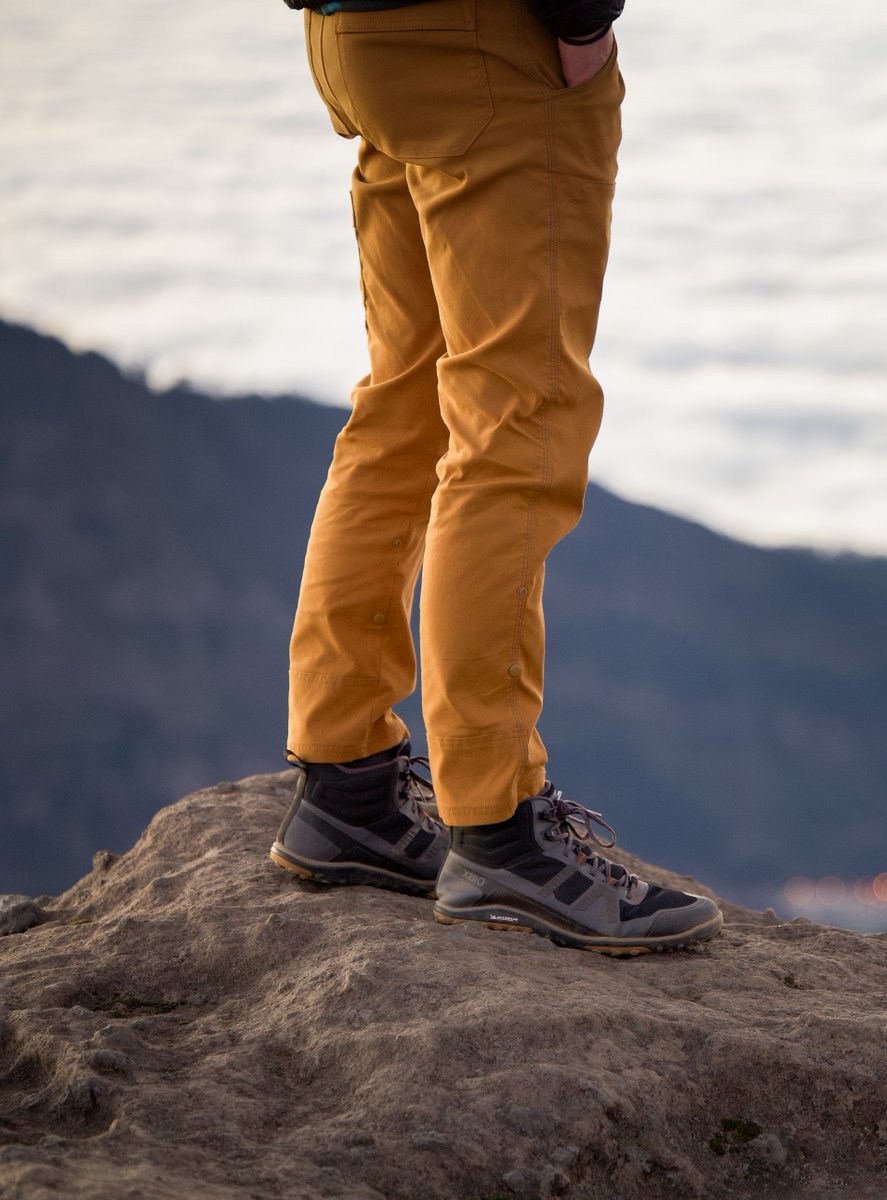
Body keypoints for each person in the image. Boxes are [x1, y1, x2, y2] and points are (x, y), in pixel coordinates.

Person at [269, 0, 722, 955]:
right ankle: (498, 828)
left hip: (356, 36)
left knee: (407, 404)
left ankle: (345, 780)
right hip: (489, 39)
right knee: (521, 422)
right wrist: (584, 19)